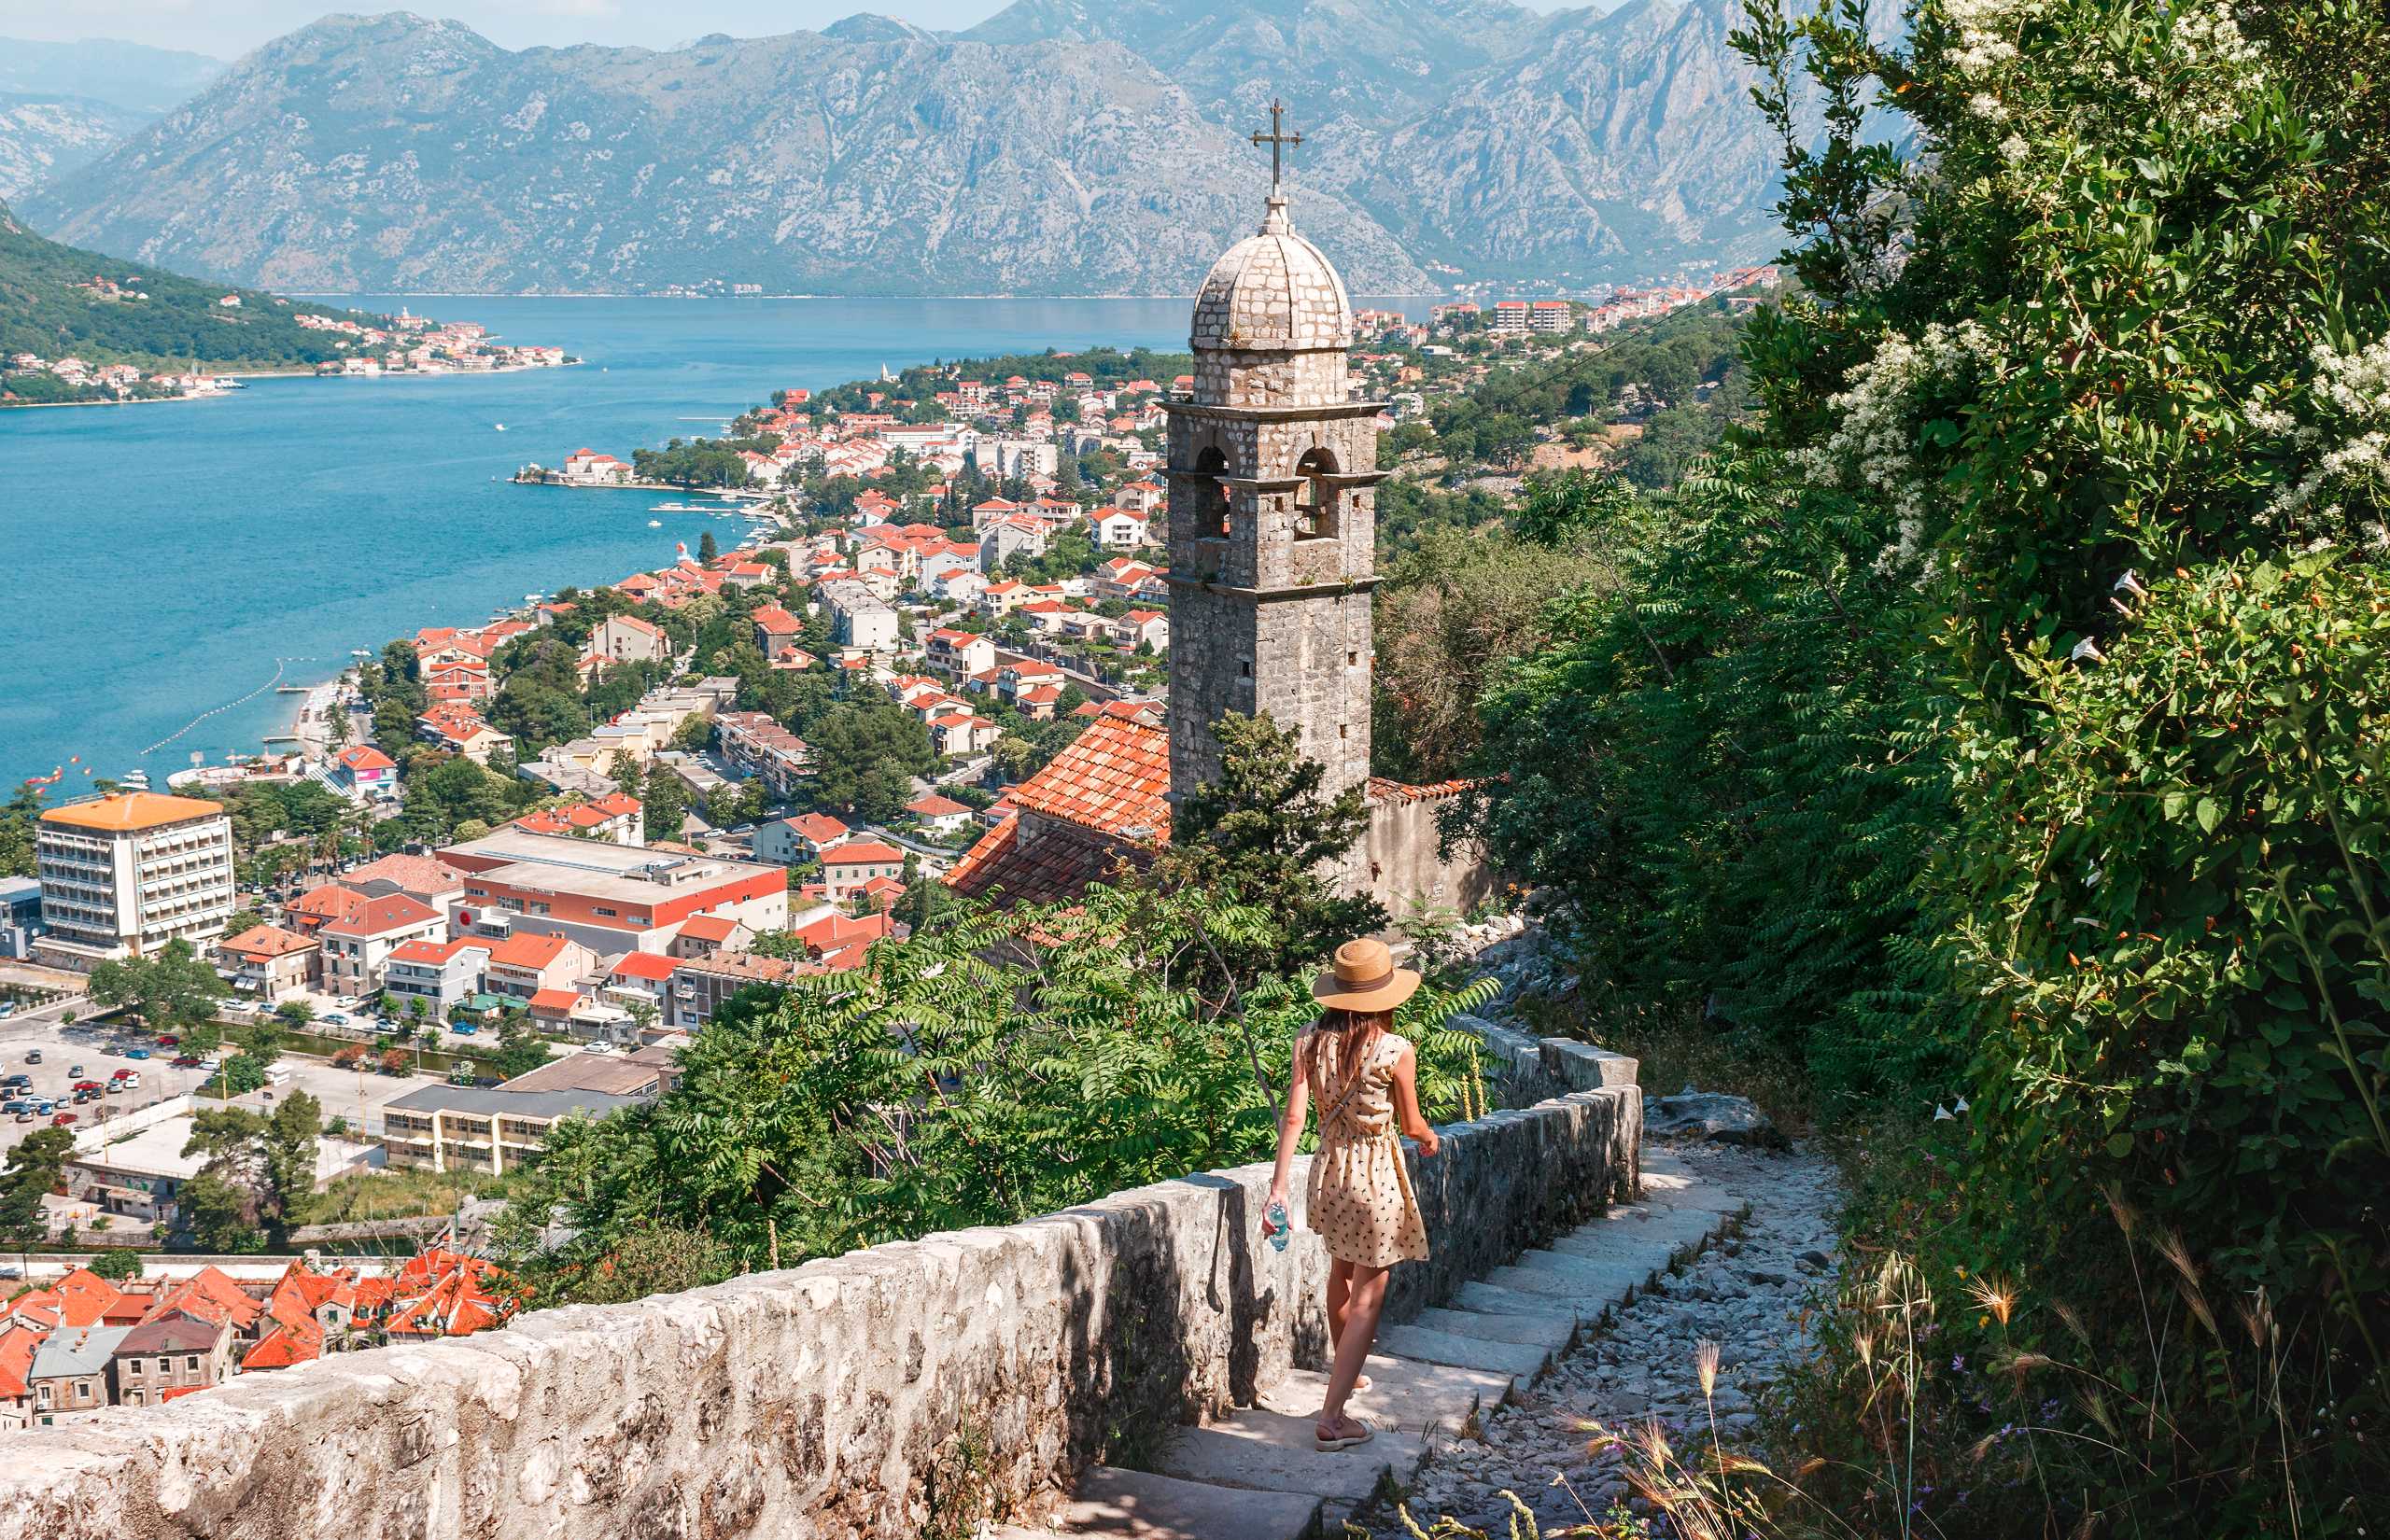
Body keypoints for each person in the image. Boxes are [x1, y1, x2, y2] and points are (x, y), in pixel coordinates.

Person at [1260, 936, 1442, 1452]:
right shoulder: (1396, 1050)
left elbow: (1294, 1118)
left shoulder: (1308, 1040)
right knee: (1369, 1295)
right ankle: (1333, 1418)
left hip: (1329, 1173)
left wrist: (1278, 1188)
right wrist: (1430, 1139)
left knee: (1341, 1272)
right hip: (1375, 1176)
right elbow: (1412, 1124)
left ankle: (1348, 1369)